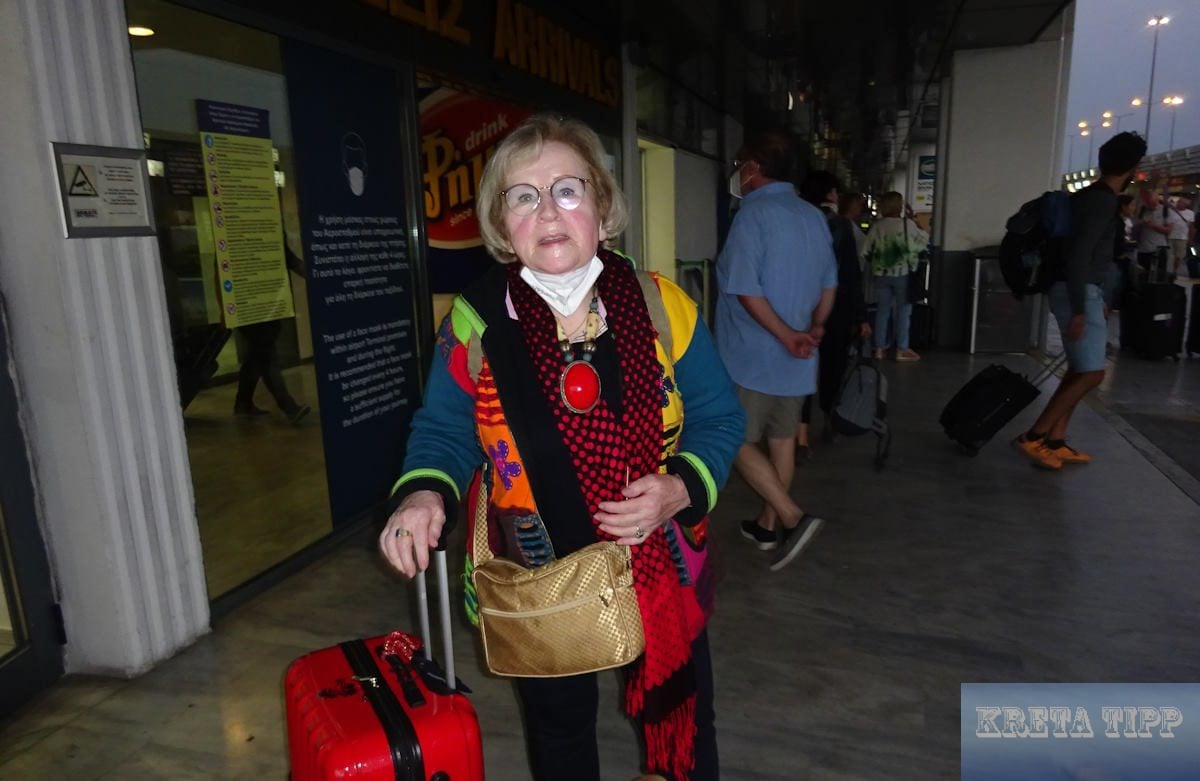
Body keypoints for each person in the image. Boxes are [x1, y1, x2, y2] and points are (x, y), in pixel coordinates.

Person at [379, 114, 744, 781]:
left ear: (601, 207)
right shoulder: (475, 322)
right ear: (502, 223)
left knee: (686, 723)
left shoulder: (661, 304)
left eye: (567, 190)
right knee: (559, 731)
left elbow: (719, 418)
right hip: (537, 575)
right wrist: (424, 493)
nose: (547, 210)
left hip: (659, 562)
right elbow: (444, 430)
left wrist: (680, 487)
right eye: (523, 196)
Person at [716, 129, 835, 571]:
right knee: (782, 441)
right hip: (800, 354)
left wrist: (785, 335)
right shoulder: (812, 216)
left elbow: (746, 290)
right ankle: (767, 527)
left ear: (753, 168)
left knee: (731, 437)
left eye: (740, 165)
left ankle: (791, 517)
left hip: (752, 355)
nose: (737, 174)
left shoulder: (752, 216)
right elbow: (829, 284)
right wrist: (814, 328)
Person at [1013, 131, 1147, 470]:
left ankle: (1055, 440)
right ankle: (1034, 436)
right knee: (1092, 374)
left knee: (1078, 369)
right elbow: (1079, 256)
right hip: (1078, 290)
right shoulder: (1101, 202)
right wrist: (1079, 309)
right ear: (1132, 168)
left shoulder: (1088, 197)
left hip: (1082, 290)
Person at [796, 171, 870, 448]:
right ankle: (829, 419)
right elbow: (850, 275)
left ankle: (801, 433)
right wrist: (861, 316)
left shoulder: (798, 222)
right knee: (833, 367)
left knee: (800, 365)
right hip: (837, 307)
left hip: (800, 305)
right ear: (830, 194)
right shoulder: (841, 225)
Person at [233, 246, 311, 424]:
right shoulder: (237, 232)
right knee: (266, 354)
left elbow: (290, 259)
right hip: (249, 303)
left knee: (256, 355)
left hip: (267, 302)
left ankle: (243, 403)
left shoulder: (270, 233)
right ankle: (288, 406)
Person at [862, 192, 928, 362]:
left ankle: (879, 348)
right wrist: (914, 220)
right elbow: (923, 241)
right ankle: (902, 349)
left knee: (883, 311)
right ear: (900, 206)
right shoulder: (907, 224)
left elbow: (866, 250)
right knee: (903, 312)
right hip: (903, 274)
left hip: (881, 275)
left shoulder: (877, 226)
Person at [1134, 187, 1171, 279]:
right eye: (1147, 202)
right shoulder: (1143, 209)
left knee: (1157, 276)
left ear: (1157, 199)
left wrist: (1153, 225)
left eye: (1152, 202)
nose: (1149, 204)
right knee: (1142, 276)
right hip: (1143, 249)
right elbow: (1136, 225)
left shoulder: (1165, 211)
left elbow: (1168, 230)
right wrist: (1140, 224)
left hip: (1158, 250)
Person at [1166, 196, 1194, 277]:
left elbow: (1191, 227)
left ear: (1185, 204)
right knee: (1170, 256)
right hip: (1171, 237)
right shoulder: (1171, 211)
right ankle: (1169, 273)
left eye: (1180, 202)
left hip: (1182, 238)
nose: (1178, 203)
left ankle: (1174, 271)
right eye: (1178, 202)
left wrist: (1190, 238)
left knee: (1179, 257)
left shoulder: (1190, 213)